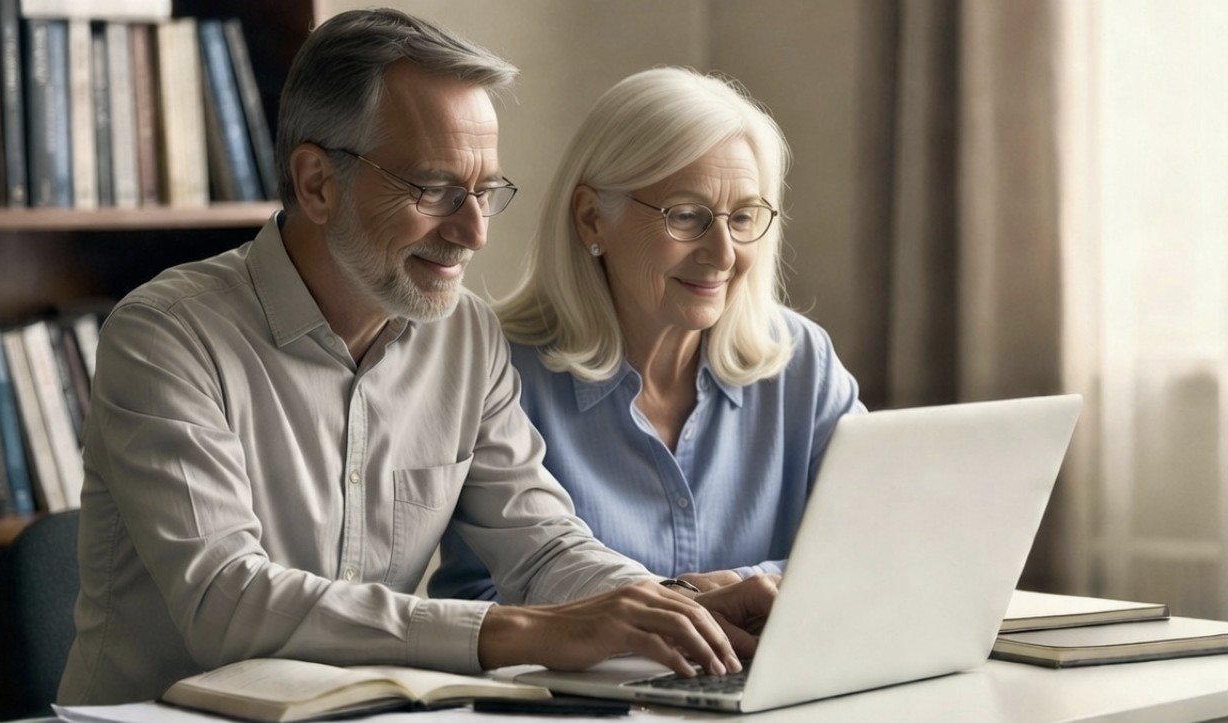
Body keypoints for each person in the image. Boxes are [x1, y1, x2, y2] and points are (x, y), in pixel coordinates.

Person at [57, 12, 776, 706]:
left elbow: (543, 547)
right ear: (316, 183)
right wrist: (517, 630)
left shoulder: (466, 336)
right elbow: (228, 601)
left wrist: (673, 606)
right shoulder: (165, 336)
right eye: (434, 189)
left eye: (485, 191)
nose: (473, 233)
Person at [431, 68, 864, 601]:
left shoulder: (803, 363)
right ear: (591, 218)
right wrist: (679, 610)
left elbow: (875, 543)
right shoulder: (501, 370)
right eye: (686, 216)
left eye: (745, 217)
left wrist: (735, 590)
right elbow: (477, 599)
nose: (723, 254)